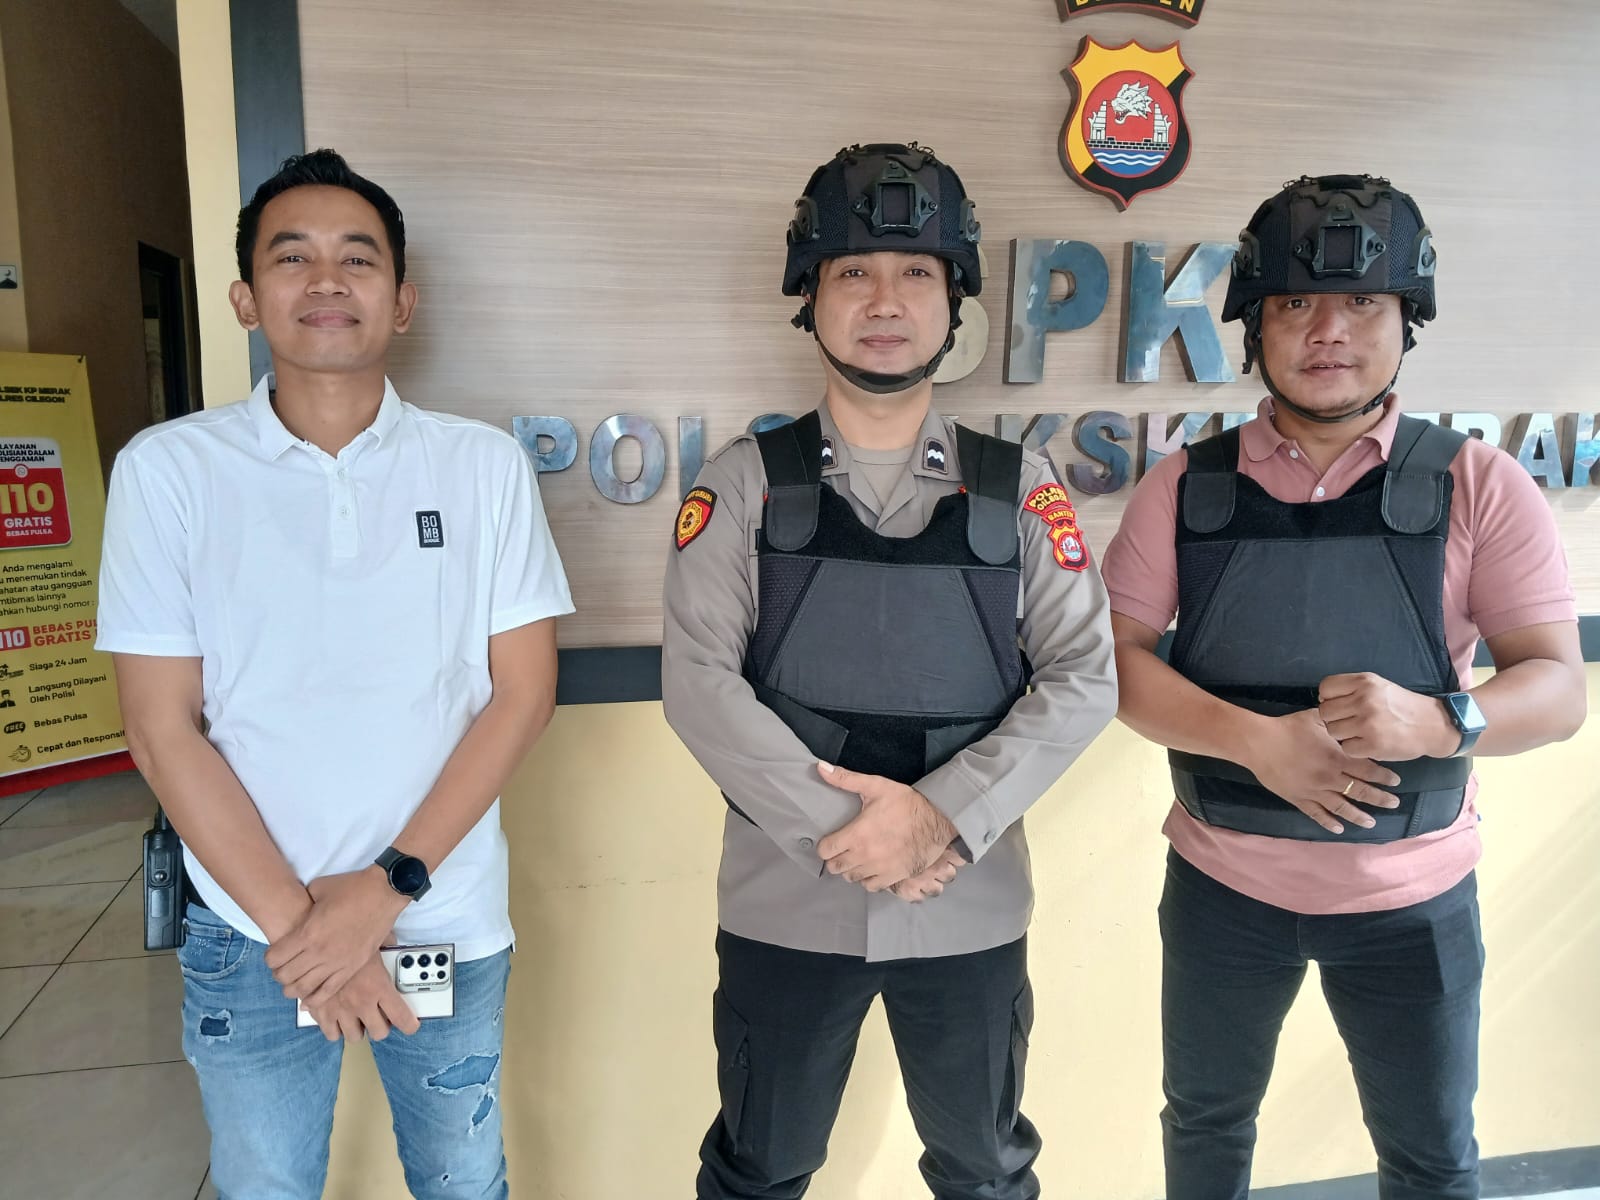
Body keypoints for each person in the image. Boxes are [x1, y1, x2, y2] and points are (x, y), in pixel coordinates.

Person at [96, 149, 572, 1200]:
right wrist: (309, 932)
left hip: (443, 917)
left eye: (357, 258)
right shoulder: (168, 472)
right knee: (265, 1187)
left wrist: (383, 893)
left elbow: (523, 695)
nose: (326, 280)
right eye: (291, 256)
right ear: (244, 298)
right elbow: (162, 728)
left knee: (463, 1181)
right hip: (251, 934)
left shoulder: (481, 467)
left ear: (401, 301)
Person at [1101, 173, 1586, 1200]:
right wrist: (1256, 743)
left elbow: (1556, 689)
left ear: (1407, 320)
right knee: (1204, 1130)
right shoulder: (1184, 486)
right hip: (1222, 889)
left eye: (1362, 301)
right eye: (1294, 303)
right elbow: (1116, 664)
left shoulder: (1477, 483)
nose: (1328, 331)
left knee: (1429, 1157)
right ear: (1254, 324)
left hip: (1414, 899)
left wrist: (1442, 720)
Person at [662, 142, 1118, 1200]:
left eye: (916, 271)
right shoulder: (743, 486)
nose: (884, 299)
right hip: (786, 905)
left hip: (967, 903)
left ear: (955, 303)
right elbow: (699, 684)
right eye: (852, 270)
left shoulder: (1017, 488)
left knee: (983, 1171)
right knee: (759, 1169)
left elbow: (1084, 675)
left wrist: (939, 819)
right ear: (809, 296)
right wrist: (855, 835)